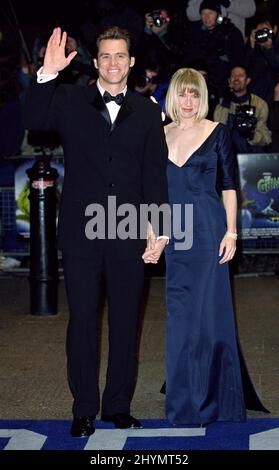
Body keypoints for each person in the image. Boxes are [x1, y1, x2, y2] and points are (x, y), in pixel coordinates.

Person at [24, 26, 169, 437]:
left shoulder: (147, 110)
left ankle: (118, 407)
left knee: (126, 322)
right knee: (83, 321)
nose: (112, 63)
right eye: (105, 56)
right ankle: (84, 408)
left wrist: (159, 233)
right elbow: (35, 120)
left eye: (120, 56)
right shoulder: (70, 100)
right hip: (80, 230)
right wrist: (46, 73)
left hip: (128, 230)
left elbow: (155, 176)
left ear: (131, 62)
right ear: (97, 61)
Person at [159, 68, 267, 424]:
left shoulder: (217, 132)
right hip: (175, 236)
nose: (188, 102)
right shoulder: (160, 135)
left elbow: (228, 186)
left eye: (194, 95)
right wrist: (152, 233)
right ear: (173, 96)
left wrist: (232, 232)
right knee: (178, 320)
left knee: (207, 317)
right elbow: (153, 192)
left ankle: (212, 401)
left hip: (208, 232)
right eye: (183, 94)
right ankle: (181, 404)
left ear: (201, 98)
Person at [214, 65, 271, 153]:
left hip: (251, 155)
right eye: (233, 76)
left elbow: (267, 138)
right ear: (229, 81)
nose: (236, 78)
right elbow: (218, 131)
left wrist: (251, 135)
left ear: (247, 81)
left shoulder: (260, 104)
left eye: (240, 75)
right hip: (228, 154)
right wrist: (226, 103)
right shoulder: (221, 104)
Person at [186, 0, 256, 39]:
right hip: (207, 40)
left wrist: (229, 4)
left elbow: (251, 10)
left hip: (233, 41)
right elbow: (190, 15)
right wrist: (206, 6)